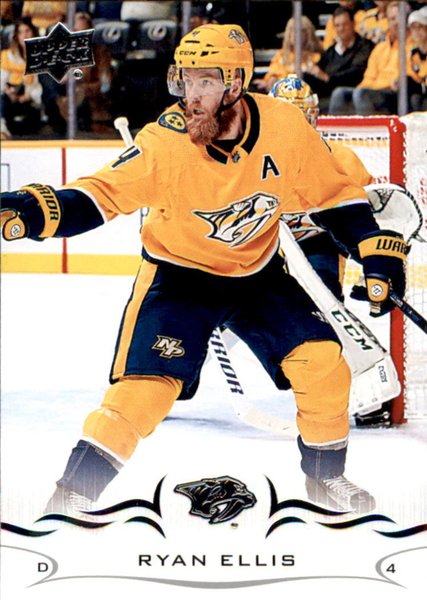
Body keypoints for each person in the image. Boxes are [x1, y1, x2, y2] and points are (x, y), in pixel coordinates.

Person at [0, 24, 407, 516]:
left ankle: (326, 480)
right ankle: (71, 497)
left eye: (206, 82)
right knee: (141, 396)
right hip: (179, 278)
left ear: (236, 83)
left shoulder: (284, 127)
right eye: (185, 80)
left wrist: (376, 251)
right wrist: (35, 212)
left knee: (323, 364)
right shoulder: (164, 143)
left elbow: (335, 196)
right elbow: (98, 195)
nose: (191, 96)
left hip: (257, 273)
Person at [269, 74, 397, 429]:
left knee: (324, 308)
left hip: (315, 247)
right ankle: (174, 373)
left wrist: (374, 260)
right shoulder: (250, 159)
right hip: (261, 250)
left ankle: (360, 388)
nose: (297, 126)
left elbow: (367, 219)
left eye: (303, 116)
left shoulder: (341, 159)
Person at [329, 2, 411, 115]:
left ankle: (369, 127)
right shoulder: (380, 48)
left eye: (398, 18)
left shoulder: (413, 46)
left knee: (361, 94)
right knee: (340, 93)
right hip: (373, 90)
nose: (395, 23)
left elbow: (411, 75)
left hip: (393, 92)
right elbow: (368, 77)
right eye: (391, 19)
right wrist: (360, 89)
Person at [303, 6, 374, 111]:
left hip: (352, 92)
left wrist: (328, 78)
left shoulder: (365, 46)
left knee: (338, 94)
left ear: (353, 24)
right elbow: (319, 70)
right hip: (327, 92)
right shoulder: (331, 51)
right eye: (337, 25)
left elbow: (356, 74)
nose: (341, 29)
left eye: (345, 24)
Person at [253, 16, 324, 93]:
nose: (295, 34)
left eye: (300, 31)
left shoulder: (317, 57)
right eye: (292, 30)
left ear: (308, 34)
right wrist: (267, 81)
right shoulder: (281, 55)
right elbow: (272, 74)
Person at [0, 19, 43, 140]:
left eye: (27, 31)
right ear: (16, 36)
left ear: (33, 33)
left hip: (31, 99)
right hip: (10, 96)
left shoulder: (40, 56)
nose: (24, 35)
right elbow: (1, 80)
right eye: (20, 32)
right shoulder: (7, 55)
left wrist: (28, 95)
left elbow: (39, 84)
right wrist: (9, 92)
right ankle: (2, 130)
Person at [407, 6, 427, 110]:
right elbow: (413, 76)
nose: (417, 31)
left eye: (420, 27)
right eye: (413, 28)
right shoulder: (412, 53)